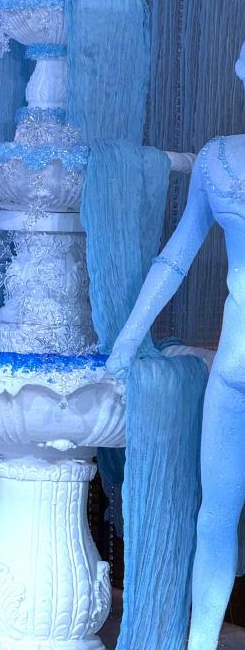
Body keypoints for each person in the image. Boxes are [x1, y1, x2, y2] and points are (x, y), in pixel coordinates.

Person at [108, 41, 245, 650]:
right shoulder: (218, 161)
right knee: (214, 517)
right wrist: (125, 341)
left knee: (216, 518)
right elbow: (175, 258)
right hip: (234, 372)